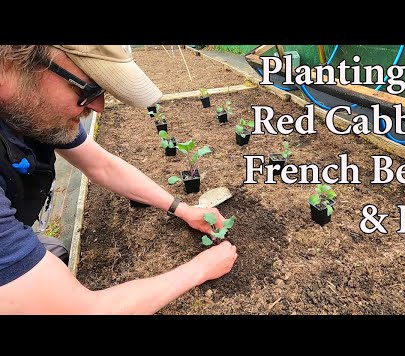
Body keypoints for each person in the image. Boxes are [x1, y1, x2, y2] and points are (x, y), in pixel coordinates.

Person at [0, 45, 237, 314]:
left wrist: (182, 209)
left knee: (51, 253)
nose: (98, 107)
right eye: (87, 90)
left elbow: (102, 166)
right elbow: (82, 311)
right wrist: (201, 269)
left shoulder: (33, 111)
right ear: (8, 66)